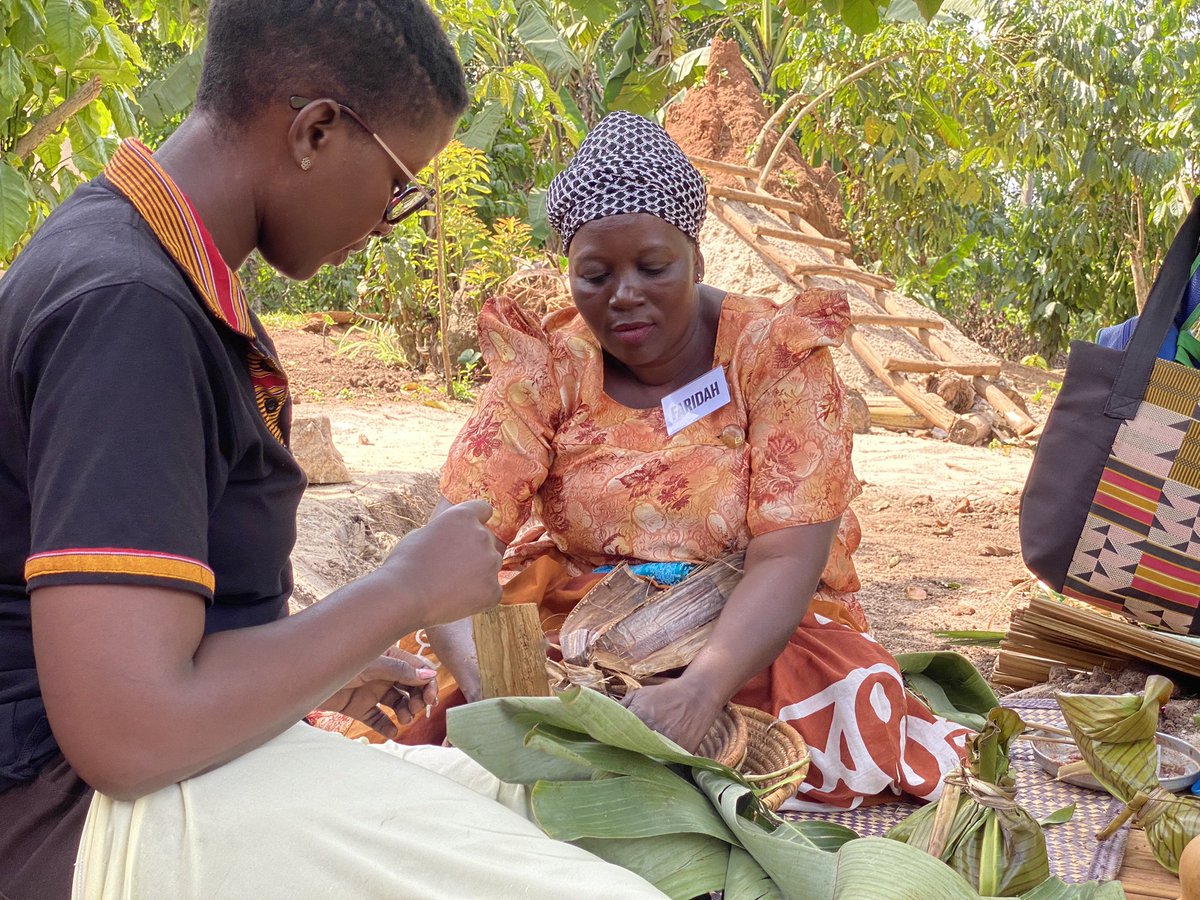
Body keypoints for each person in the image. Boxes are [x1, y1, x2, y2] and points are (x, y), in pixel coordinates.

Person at [0, 4, 668, 898]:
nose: (391, 219)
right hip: (77, 826)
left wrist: (321, 658)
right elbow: (129, 731)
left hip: (143, 780)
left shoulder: (155, 274)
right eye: (400, 184)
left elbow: (158, 643)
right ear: (316, 131)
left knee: (568, 810)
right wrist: (400, 591)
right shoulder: (128, 310)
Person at [402, 111, 970, 811]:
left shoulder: (774, 354)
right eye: (595, 274)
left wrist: (704, 688)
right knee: (437, 713)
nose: (624, 294)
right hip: (580, 625)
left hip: (749, 630)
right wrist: (494, 687)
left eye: (653, 266)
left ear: (696, 258)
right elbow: (453, 537)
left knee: (838, 717)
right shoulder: (548, 366)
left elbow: (788, 558)